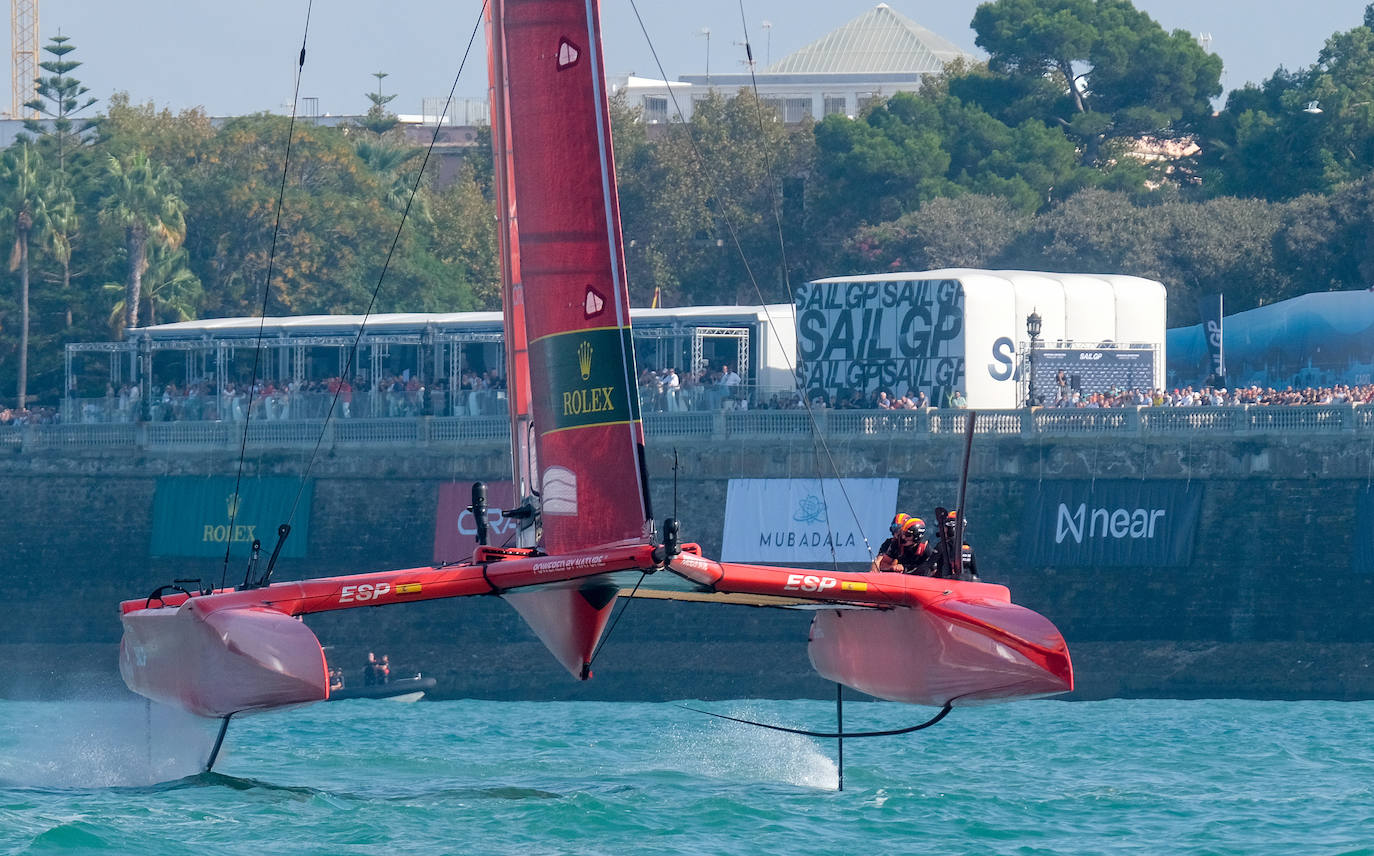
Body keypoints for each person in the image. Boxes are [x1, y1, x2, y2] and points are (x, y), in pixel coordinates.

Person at [870, 515, 935, 575]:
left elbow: (933, 570)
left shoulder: (925, 548)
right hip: (898, 580)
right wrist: (893, 567)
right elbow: (881, 564)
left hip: (918, 580)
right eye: (902, 533)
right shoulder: (896, 543)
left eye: (907, 535)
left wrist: (905, 568)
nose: (903, 537)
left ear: (916, 537)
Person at [932, 511, 979, 581]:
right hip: (965, 586)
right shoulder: (968, 548)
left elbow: (928, 566)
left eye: (944, 527)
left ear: (952, 528)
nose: (942, 530)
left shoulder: (942, 546)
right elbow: (975, 573)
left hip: (945, 586)